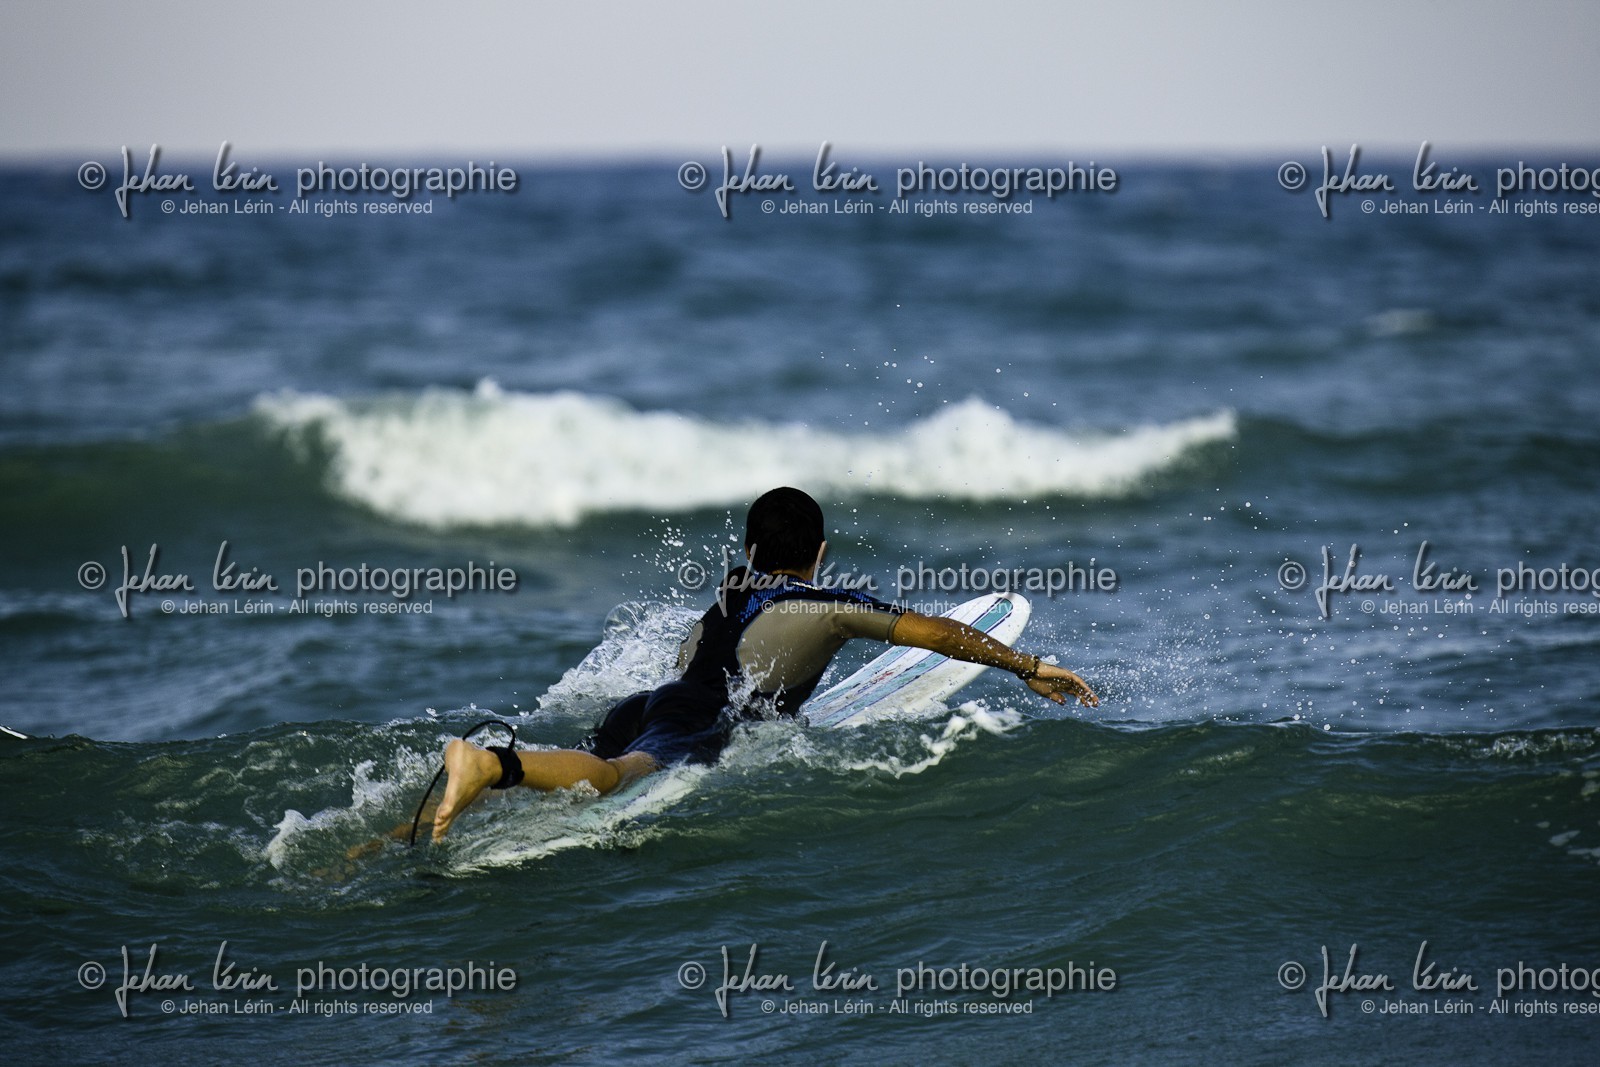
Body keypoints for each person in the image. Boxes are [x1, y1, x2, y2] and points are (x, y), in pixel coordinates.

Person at [428, 487, 1098, 841]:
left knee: (575, 766)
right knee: (616, 775)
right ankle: (492, 761)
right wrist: (1025, 664)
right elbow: (935, 632)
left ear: (750, 549)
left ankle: (402, 832)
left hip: (650, 702)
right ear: (822, 550)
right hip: (695, 722)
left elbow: (691, 658)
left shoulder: (729, 591)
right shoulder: (829, 605)